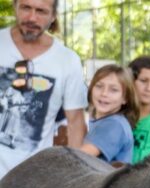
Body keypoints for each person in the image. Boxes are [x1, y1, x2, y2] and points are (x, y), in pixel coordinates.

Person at [0, 0, 87, 178]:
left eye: (41, 11)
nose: (32, 17)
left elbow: (76, 122)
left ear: (53, 16)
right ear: (14, 6)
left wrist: (76, 176)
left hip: (33, 181)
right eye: (26, 8)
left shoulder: (67, 60)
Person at [78, 64, 136, 164]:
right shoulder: (100, 118)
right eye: (99, 86)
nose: (104, 93)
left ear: (125, 98)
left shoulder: (114, 125)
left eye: (113, 90)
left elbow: (78, 157)